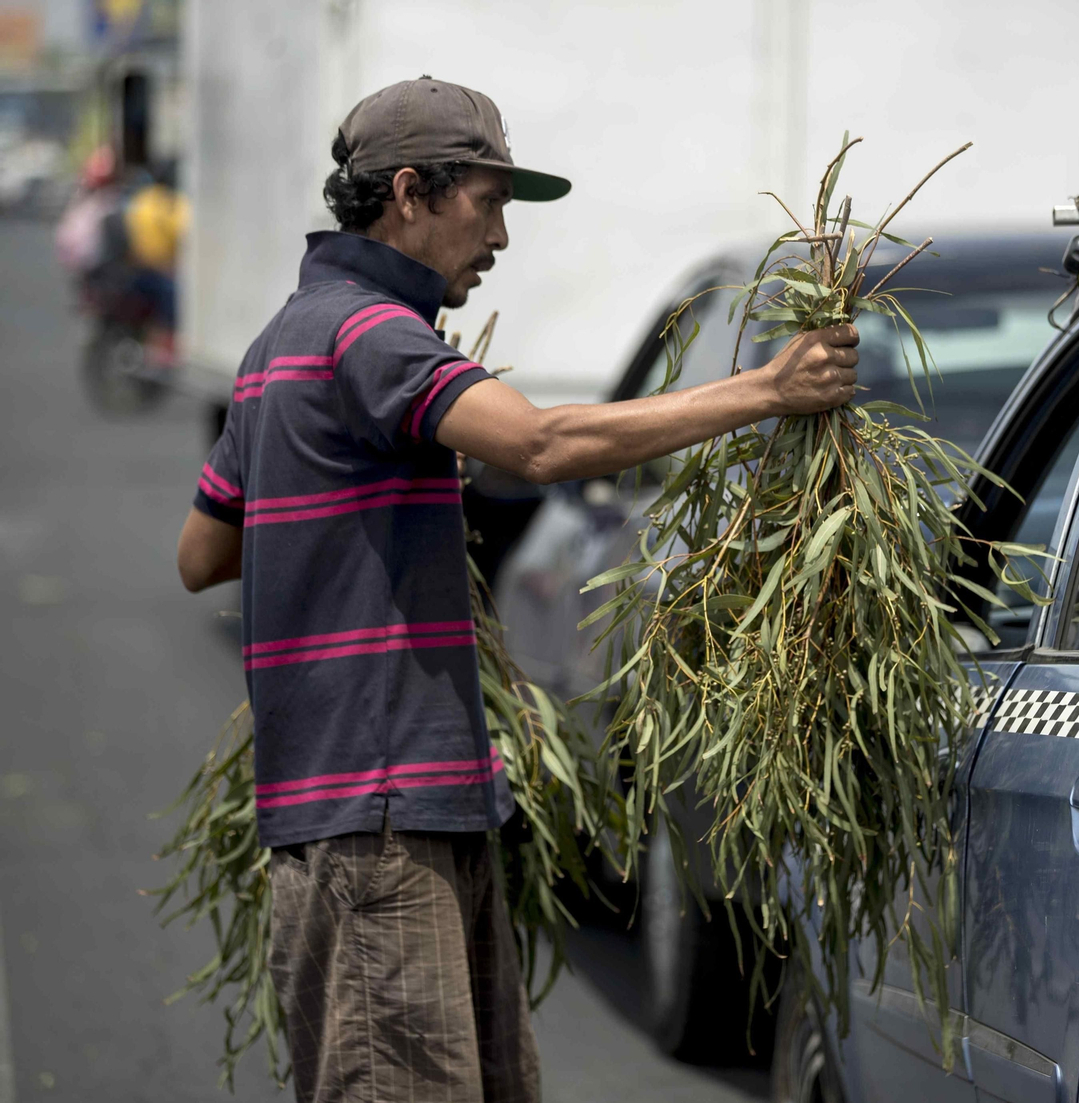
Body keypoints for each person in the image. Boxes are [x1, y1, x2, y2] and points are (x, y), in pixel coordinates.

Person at [174, 77, 857, 1103]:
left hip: (390, 810)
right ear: (410, 192)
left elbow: (202, 552)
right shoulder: (370, 335)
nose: (499, 236)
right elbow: (540, 443)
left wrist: (349, 510)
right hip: (380, 812)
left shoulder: (280, 344)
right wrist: (767, 390)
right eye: (487, 203)